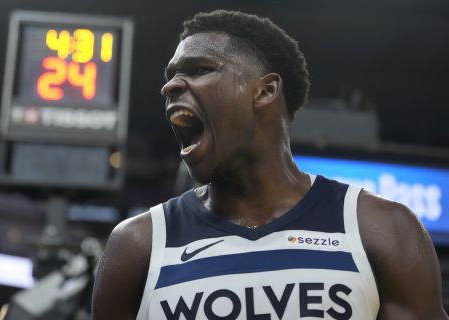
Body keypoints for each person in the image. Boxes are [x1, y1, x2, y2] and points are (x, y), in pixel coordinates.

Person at [92, 10, 448, 319]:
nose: (169, 87)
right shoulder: (138, 244)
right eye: (170, 75)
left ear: (264, 91)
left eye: (199, 69)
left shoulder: (381, 228)